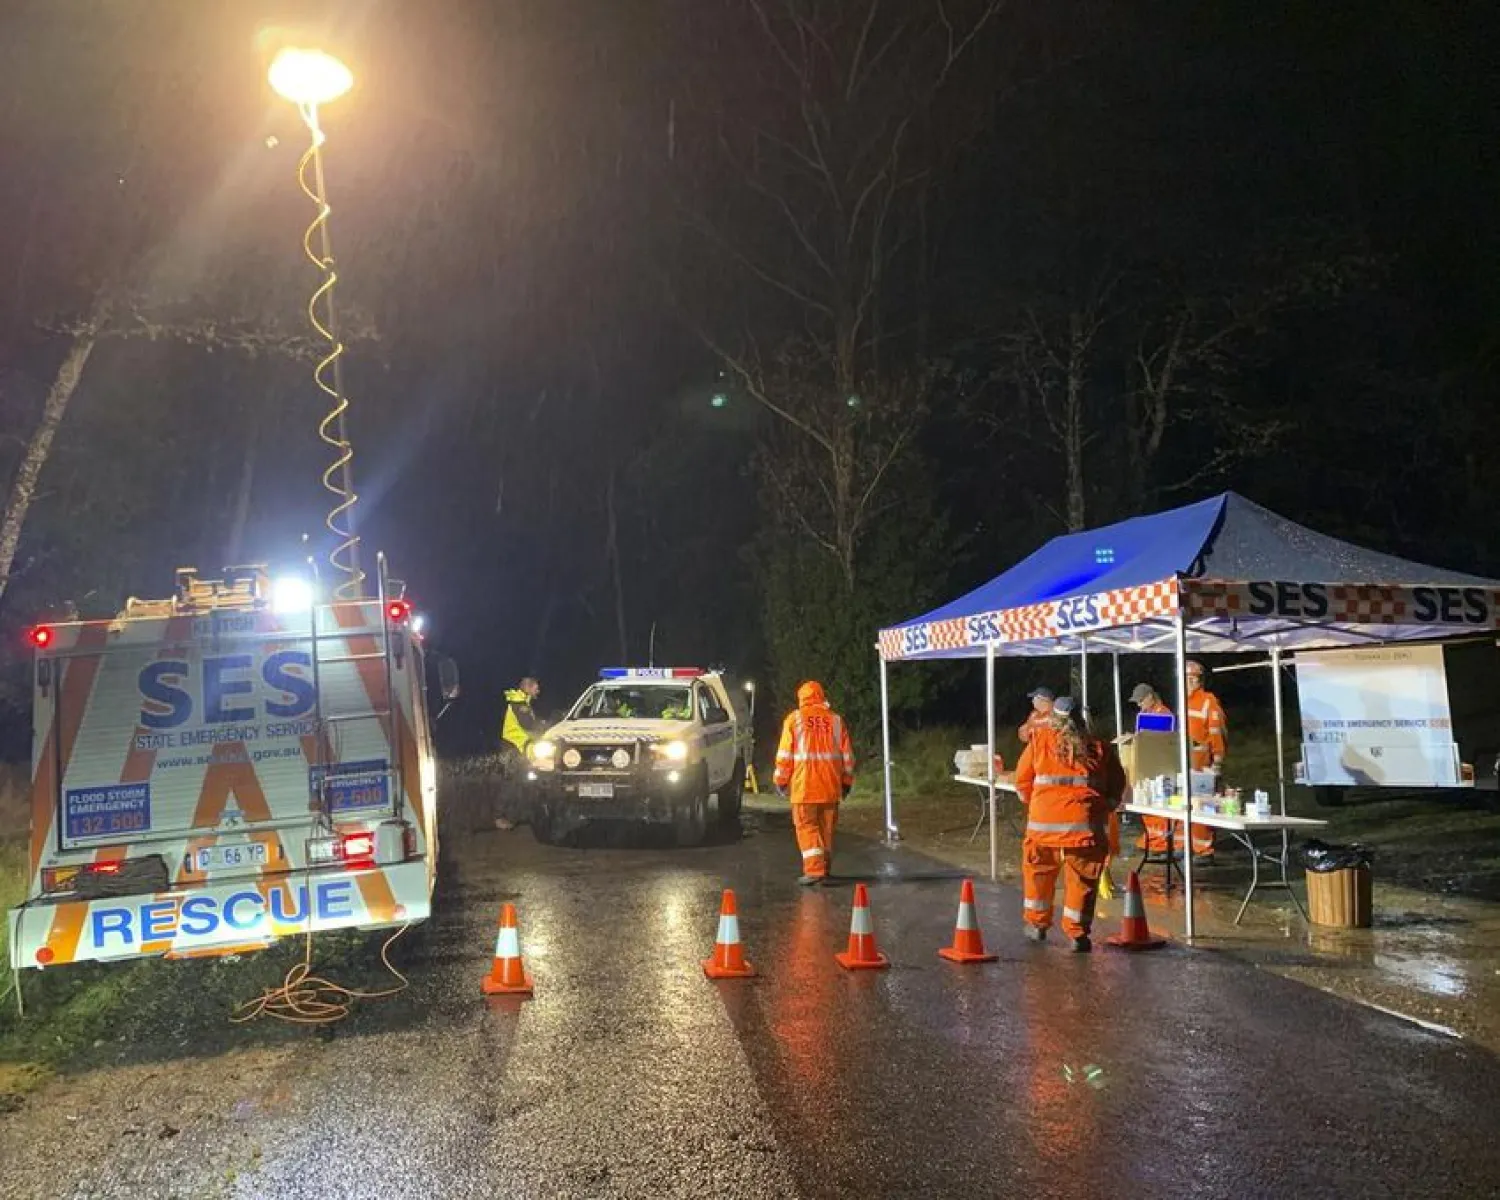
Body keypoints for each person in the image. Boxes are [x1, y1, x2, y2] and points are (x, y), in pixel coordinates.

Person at [1014, 695, 1126, 951]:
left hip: (1043, 825)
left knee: (1038, 873)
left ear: (1054, 718)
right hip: (1084, 827)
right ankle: (1077, 934)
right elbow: (1116, 786)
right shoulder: (1099, 747)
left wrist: (1035, 805)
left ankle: (1037, 925)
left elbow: (1022, 781)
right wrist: (1103, 807)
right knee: (1083, 880)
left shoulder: (1040, 742)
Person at [773, 680, 855, 885]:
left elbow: (785, 756)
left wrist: (780, 781)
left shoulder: (794, 720)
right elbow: (848, 758)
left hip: (804, 788)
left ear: (802, 699)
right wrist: (846, 782)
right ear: (821, 696)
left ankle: (814, 870)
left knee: (807, 827)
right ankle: (824, 868)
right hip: (830, 787)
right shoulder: (836, 721)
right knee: (826, 829)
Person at [1184, 660, 1228, 861]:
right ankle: (1187, 844)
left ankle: (1204, 849)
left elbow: (1216, 733)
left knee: (1202, 805)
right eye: (1188, 678)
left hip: (1203, 763)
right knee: (1184, 804)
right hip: (1186, 761)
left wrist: (1217, 761)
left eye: (1194, 678)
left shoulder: (1208, 701)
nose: (1191, 682)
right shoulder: (1183, 701)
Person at [494, 677, 542, 831]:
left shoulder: (522, 703)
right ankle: (501, 817)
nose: (538, 691)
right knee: (511, 784)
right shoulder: (519, 705)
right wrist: (545, 727)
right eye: (535, 688)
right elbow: (530, 726)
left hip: (517, 748)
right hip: (512, 748)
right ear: (527, 688)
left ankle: (512, 816)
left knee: (519, 782)